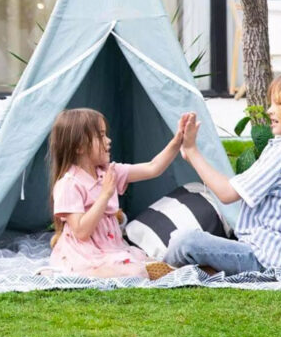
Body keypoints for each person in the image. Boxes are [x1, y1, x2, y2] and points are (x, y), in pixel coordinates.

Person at [165, 69, 281, 275]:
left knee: (186, 240)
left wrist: (192, 152)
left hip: (264, 260)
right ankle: (201, 271)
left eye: (279, 104)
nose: (269, 110)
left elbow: (227, 193)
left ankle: (159, 271)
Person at [48, 107, 189, 279]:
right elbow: (81, 232)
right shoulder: (69, 184)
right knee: (133, 271)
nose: (108, 140)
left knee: (141, 262)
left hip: (112, 249)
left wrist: (177, 141)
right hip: (84, 254)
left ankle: (145, 268)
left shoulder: (108, 172)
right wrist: (105, 194)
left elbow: (153, 168)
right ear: (79, 147)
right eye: (101, 135)